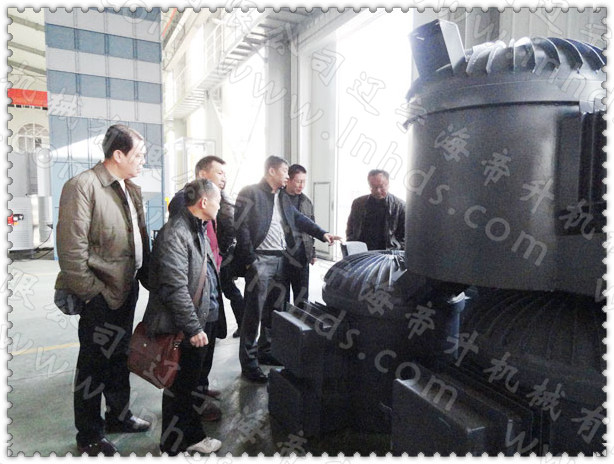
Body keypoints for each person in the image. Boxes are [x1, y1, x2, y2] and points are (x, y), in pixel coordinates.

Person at [55, 124, 151, 456]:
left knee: (120, 358)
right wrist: (93, 294)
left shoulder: (130, 188)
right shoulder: (83, 186)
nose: (143, 159)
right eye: (139, 154)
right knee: (93, 366)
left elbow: (139, 238)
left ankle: (119, 416)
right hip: (100, 294)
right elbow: (71, 252)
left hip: (127, 288)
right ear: (118, 154)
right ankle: (89, 434)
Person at [234, 156, 341, 383]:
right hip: (260, 260)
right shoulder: (250, 192)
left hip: (281, 260)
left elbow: (300, 219)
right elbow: (241, 227)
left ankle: (266, 350)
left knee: (274, 311)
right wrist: (250, 259)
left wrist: (322, 233)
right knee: (253, 313)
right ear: (272, 171)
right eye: (284, 171)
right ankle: (249, 364)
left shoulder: (282, 197)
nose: (287, 175)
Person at [143, 178, 223, 456]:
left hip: (201, 319)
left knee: (187, 385)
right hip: (186, 326)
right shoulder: (176, 233)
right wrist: (193, 328)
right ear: (204, 202)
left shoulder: (196, 227)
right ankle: (174, 445)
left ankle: (187, 438)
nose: (220, 206)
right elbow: (174, 288)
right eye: (218, 201)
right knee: (180, 386)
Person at [168, 156, 235, 422]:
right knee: (192, 356)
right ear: (202, 174)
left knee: (206, 348)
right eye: (219, 173)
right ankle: (192, 406)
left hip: (211, 281)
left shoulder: (214, 204)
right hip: (196, 289)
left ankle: (201, 390)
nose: (224, 178)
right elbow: (176, 280)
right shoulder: (182, 210)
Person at [281, 164, 316, 307]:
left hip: (301, 256)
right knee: (281, 298)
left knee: (302, 297)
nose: (301, 185)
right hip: (282, 256)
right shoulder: (277, 198)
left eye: (304, 181)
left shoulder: (306, 202)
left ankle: (300, 320)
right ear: (288, 180)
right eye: (298, 181)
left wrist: (312, 253)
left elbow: (311, 227)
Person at [346, 169, 406, 250]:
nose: (378, 191)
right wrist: (351, 245)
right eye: (373, 187)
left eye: (381, 186)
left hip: (388, 252)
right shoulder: (358, 203)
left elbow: (404, 236)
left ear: (388, 184)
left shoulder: (400, 206)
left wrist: (396, 251)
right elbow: (350, 228)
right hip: (362, 250)